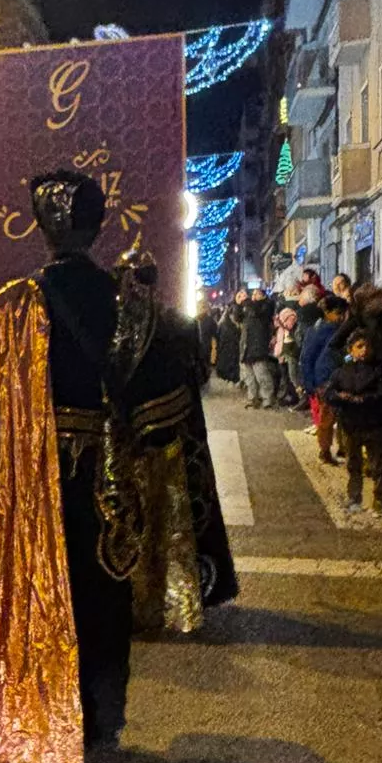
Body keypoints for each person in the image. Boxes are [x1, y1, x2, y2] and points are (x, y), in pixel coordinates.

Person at [0, 169, 145, 763]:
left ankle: (40, 711)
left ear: (41, 229)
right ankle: (99, 718)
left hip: (32, 480)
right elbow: (151, 398)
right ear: (98, 225)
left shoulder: (13, 303)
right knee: (98, 590)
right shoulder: (128, 297)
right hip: (104, 470)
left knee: (41, 587)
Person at [119, 253, 239, 635]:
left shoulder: (115, 324)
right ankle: (174, 600)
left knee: (134, 520)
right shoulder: (178, 322)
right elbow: (200, 374)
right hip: (174, 435)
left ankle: (133, 602)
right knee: (173, 520)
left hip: (128, 441)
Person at [325, 330, 382, 516]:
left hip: (373, 424)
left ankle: (380, 501)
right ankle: (354, 497)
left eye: (366, 346)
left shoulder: (378, 371)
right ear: (351, 350)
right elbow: (329, 393)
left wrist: (365, 399)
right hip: (350, 424)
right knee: (353, 464)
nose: (363, 350)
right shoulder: (342, 371)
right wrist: (341, 397)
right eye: (359, 346)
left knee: (377, 465)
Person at [300, 295, 348, 463]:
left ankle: (343, 449)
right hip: (325, 379)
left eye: (343, 313)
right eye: (337, 313)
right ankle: (325, 450)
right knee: (328, 417)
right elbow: (307, 357)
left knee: (342, 416)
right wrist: (309, 383)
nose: (340, 317)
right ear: (326, 312)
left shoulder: (340, 329)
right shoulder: (319, 331)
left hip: (341, 378)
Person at [240, 288, 276, 408]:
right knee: (249, 375)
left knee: (261, 374)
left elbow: (257, 311)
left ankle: (267, 399)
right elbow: (238, 316)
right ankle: (253, 398)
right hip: (247, 345)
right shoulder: (249, 307)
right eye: (253, 293)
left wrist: (246, 302)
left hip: (259, 344)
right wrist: (237, 303)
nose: (253, 296)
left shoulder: (266, 306)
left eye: (257, 293)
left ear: (263, 295)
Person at [214, 289, 246, 384]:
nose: (241, 298)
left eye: (243, 296)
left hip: (235, 337)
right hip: (229, 336)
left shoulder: (246, 308)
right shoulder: (232, 308)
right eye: (239, 296)